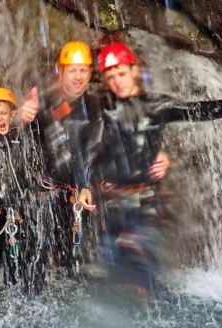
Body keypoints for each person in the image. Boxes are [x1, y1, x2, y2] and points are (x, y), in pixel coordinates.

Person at [78, 42, 222, 292]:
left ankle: (147, 302)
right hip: (111, 200)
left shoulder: (157, 105)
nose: (117, 81)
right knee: (112, 269)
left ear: (133, 70)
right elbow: (88, 147)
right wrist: (84, 184)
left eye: (121, 73)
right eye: (110, 77)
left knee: (144, 267)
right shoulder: (102, 109)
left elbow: (198, 111)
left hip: (146, 200)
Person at [19, 41, 170, 276]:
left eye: (83, 70)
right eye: (72, 70)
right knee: (41, 260)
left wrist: (157, 152)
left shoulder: (97, 105)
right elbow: (8, 135)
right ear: (61, 71)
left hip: (87, 193)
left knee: (82, 264)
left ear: (91, 72)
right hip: (46, 194)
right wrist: (21, 116)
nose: (78, 77)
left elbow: (132, 131)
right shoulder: (42, 103)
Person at [0, 88, 47, 296]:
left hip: (18, 210)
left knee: (21, 260)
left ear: (13, 113)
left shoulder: (23, 137)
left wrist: (32, 111)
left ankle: (24, 298)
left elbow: (40, 135)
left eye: (3, 113)